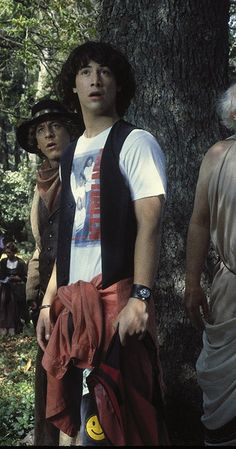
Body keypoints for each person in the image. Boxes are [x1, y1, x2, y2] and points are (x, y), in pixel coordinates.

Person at [37, 40, 170, 446]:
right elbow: (69, 240)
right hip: (75, 311)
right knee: (84, 424)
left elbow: (151, 223)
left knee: (121, 423)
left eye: (105, 72)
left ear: (118, 85)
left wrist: (140, 299)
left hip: (116, 307)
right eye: (85, 72)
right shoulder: (71, 153)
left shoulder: (136, 142)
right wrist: (48, 301)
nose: (95, 80)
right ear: (73, 87)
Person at [16, 98, 83, 446]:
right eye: (41, 131)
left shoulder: (84, 172)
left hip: (80, 296)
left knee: (78, 388)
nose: (49, 135)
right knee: (49, 381)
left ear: (69, 129)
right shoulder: (41, 187)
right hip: (47, 305)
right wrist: (34, 295)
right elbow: (41, 247)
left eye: (55, 126)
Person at [184, 83, 236, 446]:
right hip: (229, 291)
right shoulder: (218, 156)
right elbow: (200, 221)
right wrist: (192, 283)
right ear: (232, 115)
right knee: (222, 413)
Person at [0, 241, 27, 336]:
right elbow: (1, 275)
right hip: (5, 288)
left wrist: (15, 278)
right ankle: (3, 329)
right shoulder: (3, 262)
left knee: (14, 308)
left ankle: (13, 329)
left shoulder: (20, 263)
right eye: (6, 252)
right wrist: (5, 279)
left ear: (14, 252)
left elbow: (24, 276)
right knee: (3, 307)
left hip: (17, 289)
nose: (8, 254)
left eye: (10, 252)